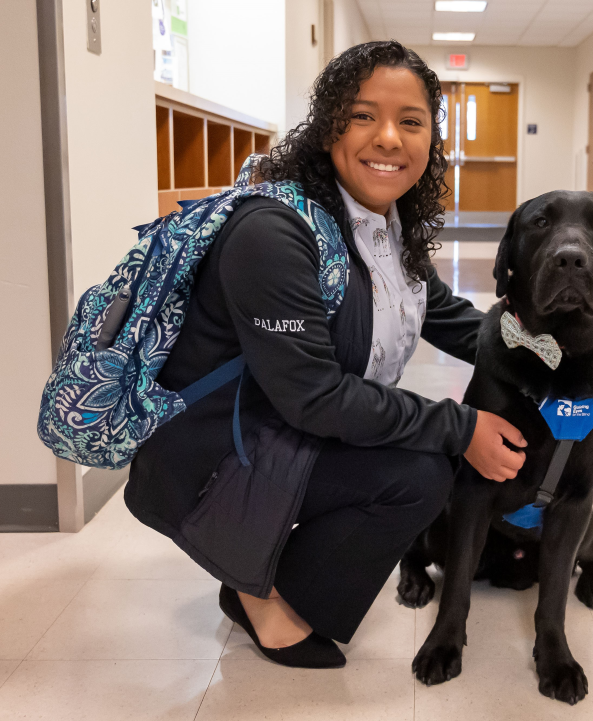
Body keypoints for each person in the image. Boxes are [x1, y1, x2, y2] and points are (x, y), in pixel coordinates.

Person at [124, 41, 527, 669]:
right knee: (422, 473)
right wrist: (462, 426)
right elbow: (313, 395)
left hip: (277, 432)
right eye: (363, 115)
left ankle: (262, 571)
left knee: (418, 460)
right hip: (211, 455)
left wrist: (548, 354)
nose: (389, 137)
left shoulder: (383, 226)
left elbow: (444, 316)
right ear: (326, 127)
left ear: (431, 140)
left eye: (411, 121)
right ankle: (262, 595)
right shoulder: (273, 233)